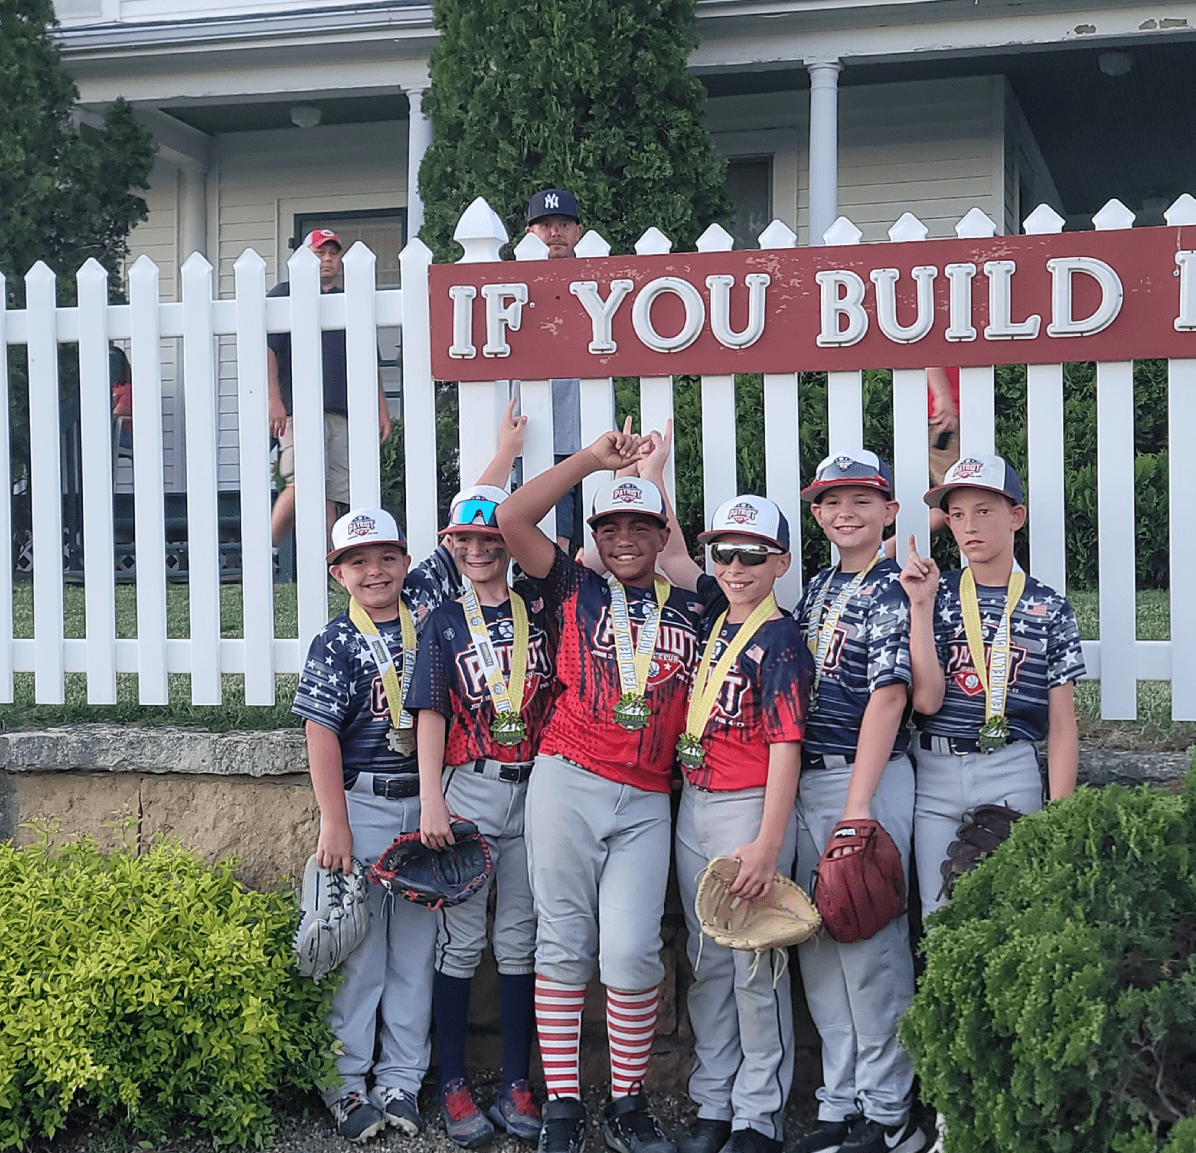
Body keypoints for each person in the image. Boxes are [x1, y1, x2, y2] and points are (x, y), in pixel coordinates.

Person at [292, 408, 525, 1144]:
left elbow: (470, 524)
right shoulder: (336, 640)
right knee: (360, 952)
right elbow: (320, 731)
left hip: (429, 802)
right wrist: (332, 818)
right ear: (338, 573)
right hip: (363, 804)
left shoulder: (428, 601)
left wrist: (505, 455)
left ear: (407, 560)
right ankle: (346, 1081)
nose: (376, 571)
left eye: (387, 557)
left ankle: (400, 1080)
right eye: (358, 562)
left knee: (414, 953)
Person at [495, 428, 706, 1153]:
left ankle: (627, 1103)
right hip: (569, 778)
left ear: (659, 532)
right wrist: (591, 463)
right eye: (610, 526)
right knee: (563, 942)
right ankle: (561, 1105)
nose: (623, 538)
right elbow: (511, 519)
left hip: (646, 797)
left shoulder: (691, 605)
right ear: (594, 537)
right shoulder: (574, 587)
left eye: (638, 525)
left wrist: (651, 474)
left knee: (630, 952)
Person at [900, 454, 1083, 1153]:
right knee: (943, 940)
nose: (969, 525)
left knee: (1012, 932)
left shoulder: (1047, 605)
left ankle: (1004, 1105)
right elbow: (926, 700)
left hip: (1011, 768)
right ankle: (950, 1112)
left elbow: (1063, 723)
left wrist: (1057, 819)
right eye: (956, 512)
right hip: (937, 773)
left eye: (984, 510)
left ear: (1018, 516)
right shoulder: (937, 594)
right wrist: (920, 607)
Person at [651, 479, 811, 1153]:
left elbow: (786, 746)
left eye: (753, 554)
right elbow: (674, 557)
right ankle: (712, 1099)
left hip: (749, 810)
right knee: (707, 958)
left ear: (780, 562)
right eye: (726, 554)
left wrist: (768, 843)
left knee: (754, 966)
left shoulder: (781, 638)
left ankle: (756, 1114)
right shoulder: (719, 604)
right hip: (696, 804)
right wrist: (657, 480)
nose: (736, 568)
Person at [408, 485, 558, 1148]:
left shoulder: (540, 611)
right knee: (462, 940)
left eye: (490, 538)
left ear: (509, 542)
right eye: (464, 540)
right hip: (468, 786)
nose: (477, 549)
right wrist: (431, 798)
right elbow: (430, 711)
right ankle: (452, 1080)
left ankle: (516, 1081)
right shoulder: (442, 620)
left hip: (538, 787)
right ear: (450, 544)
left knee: (521, 937)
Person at [790, 451, 925, 1153]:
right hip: (812, 776)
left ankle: (889, 1112)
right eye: (831, 501)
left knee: (870, 946)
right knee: (820, 942)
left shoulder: (891, 588)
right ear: (816, 514)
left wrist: (859, 805)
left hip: (861, 778)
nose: (846, 512)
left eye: (862, 500)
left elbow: (891, 694)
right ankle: (841, 1098)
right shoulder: (819, 585)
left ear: (890, 511)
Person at [268, 228, 393, 547]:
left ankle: (326, 566)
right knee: (301, 484)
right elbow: (266, 351)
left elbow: (368, 362)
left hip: (342, 409)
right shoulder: (285, 294)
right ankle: (263, 551)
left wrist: (381, 409)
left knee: (332, 494)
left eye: (332, 253)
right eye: (320, 253)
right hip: (299, 408)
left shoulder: (348, 300)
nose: (327, 259)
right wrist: (274, 401)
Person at [516, 188, 587, 552]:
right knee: (545, 531)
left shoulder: (596, 280)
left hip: (583, 417)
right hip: (533, 421)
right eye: (545, 225)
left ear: (578, 231)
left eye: (563, 223)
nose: (554, 231)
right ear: (530, 233)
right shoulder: (510, 285)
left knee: (581, 535)